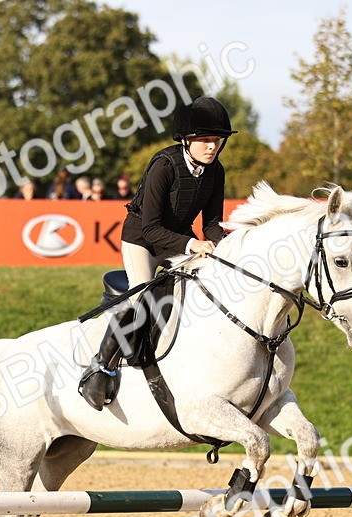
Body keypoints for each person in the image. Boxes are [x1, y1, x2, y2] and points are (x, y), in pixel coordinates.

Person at [78, 95, 236, 410]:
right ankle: (100, 368)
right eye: (204, 140)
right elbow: (150, 227)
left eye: (216, 141)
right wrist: (194, 245)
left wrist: (232, 244)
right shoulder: (164, 166)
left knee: (203, 289)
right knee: (139, 300)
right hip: (142, 239)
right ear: (187, 141)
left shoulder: (215, 171)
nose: (212, 147)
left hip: (177, 240)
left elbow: (213, 225)